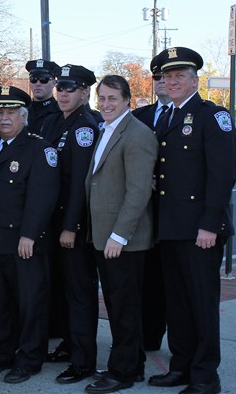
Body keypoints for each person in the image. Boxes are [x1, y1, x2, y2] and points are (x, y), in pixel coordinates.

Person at [148, 47, 236, 394]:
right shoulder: (169, 116)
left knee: (201, 305)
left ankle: (205, 376)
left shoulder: (212, 117)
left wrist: (210, 225)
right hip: (170, 227)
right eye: (167, 77)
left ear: (195, 80)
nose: (172, 81)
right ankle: (181, 366)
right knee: (178, 306)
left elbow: (223, 175)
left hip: (199, 230)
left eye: (179, 76)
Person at [0, 85, 59, 385]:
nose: (4, 117)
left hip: (25, 242)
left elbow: (43, 197)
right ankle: (2, 354)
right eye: (0, 111)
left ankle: (29, 359)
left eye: (11, 112)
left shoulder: (40, 148)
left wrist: (30, 235)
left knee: (30, 303)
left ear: (24, 116)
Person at [83, 75, 158, 393]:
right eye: (101, 98)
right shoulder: (107, 129)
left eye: (112, 98)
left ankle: (122, 372)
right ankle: (133, 363)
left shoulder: (137, 134)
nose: (105, 104)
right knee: (117, 304)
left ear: (128, 100)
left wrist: (119, 236)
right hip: (104, 236)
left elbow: (139, 191)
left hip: (123, 241)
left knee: (124, 307)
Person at [41, 64, 100, 385]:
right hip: (52, 223)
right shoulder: (55, 122)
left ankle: (83, 360)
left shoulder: (84, 127)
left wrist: (71, 227)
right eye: (60, 87)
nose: (62, 93)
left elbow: (80, 183)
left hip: (71, 227)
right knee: (61, 291)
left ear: (85, 92)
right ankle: (68, 343)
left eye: (70, 88)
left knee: (79, 293)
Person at [131, 53, 174, 352]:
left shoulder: (194, 115)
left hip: (174, 213)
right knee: (146, 281)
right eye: (157, 77)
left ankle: (181, 344)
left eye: (166, 77)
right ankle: (148, 338)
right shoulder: (140, 116)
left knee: (173, 283)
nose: (161, 82)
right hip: (143, 212)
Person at [25, 59, 60, 135]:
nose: (38, 84)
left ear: (54, 83)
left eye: (43, 79)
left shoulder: (61, 113)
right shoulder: (22, 111)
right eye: (33, 79)